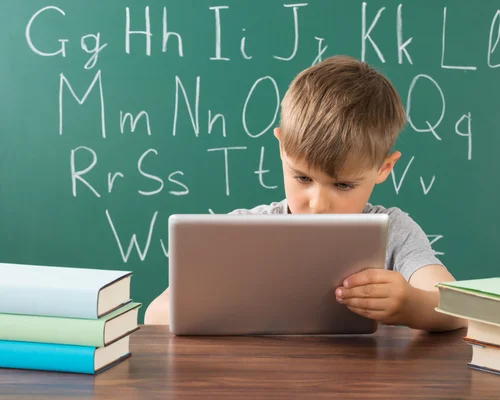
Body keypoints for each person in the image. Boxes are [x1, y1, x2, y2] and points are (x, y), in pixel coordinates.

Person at [145, 55, 467, 332]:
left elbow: (461, 308)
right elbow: (154, 314)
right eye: (302, 177)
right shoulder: (242, 233)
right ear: (282, 147)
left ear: (383, 169)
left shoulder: (395, 233)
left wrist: (411, 307)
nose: (318, 203)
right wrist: (226, 304)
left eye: (343, 185)